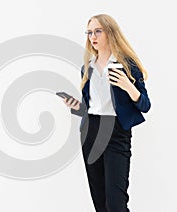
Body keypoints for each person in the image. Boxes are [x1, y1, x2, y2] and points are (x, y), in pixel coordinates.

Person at [63, 14, 151, 212]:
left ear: (110, 33)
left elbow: (145, 105)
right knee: (100, 202)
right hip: (90, 132)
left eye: (97, 31)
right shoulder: (87, 68)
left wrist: (129, 86)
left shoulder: (127, 66)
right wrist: (76, 107)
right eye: (89, 32)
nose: (92, 37)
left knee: (115, 204)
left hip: (116, 133)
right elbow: (92, 108)